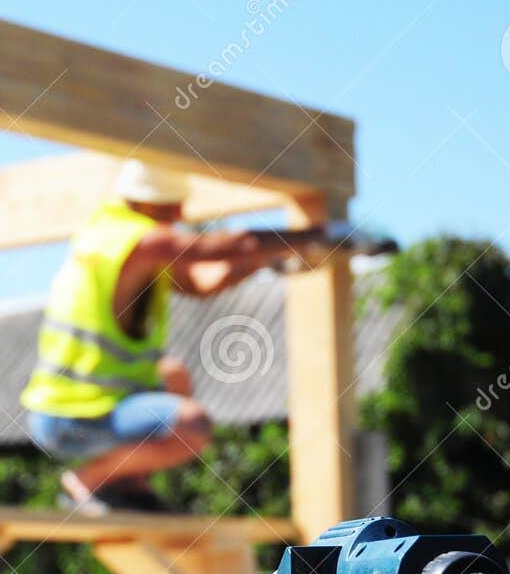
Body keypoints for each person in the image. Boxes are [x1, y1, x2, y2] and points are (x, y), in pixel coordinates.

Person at [19, 159, 330, 513]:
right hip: (72, 419)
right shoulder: (140, 241)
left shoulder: (110, 236)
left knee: (174, 375)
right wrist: (317, 235)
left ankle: (127, 483)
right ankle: (88, 480)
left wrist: (265, 258)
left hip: (88, 407)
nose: (180, 214)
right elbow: (236, 243)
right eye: (172, 206)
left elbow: (201, 283)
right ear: (148, 203)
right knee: (192, 426)